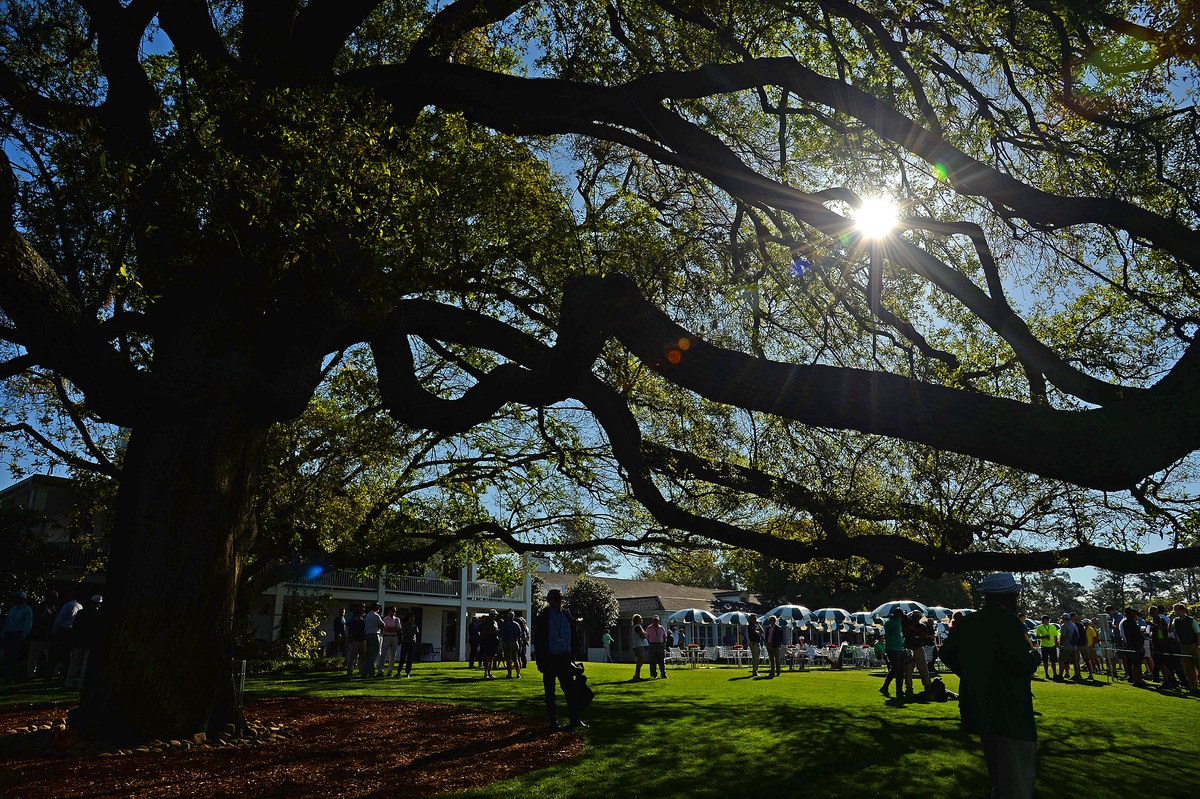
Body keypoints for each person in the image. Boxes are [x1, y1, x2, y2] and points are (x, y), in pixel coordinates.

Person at [939, 572, 1040, 799]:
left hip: (980, 705)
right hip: (1010, 709)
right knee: (1017, 779)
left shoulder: (970, 621)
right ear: (1009, 597)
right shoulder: (1007, 622)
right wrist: (1035, 657)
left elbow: (946, 652)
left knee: (997, 773)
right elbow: (1021, 663)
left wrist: (971, 674)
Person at [533, 589, 587, 730]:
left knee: (570, 691)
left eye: (560, 598)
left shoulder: (567, 615)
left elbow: (573, 636)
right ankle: (553, 721)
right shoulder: (543, 616)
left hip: (565, 658)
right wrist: (540, 661)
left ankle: (574, 720)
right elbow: (538, 640)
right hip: (550, 658)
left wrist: (574, 654)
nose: (559, 601)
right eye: (556, 598)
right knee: (550, 692)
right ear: (549, 600)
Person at [64, 595, 103, 689]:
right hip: (89, 642)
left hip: (79, 640)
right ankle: (81, 684)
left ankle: (68, 682)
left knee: (74, 663)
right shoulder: (98, 614)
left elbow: (75, 627)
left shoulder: (81, 613)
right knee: (85, 665)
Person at [25, 589, 58, 678]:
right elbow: (39, 622)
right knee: (35, 654)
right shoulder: (43, 607)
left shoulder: (51, 607)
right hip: (40, 635)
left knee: (45, 654)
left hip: (46, 635)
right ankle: (31, 672)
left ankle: (49, 670)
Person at [1, 590, 32, 682]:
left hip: (18, 633)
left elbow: (28, 623)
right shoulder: (12, 609)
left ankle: (13, 676)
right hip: (9, 633)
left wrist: (24, 634)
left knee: (15, 656)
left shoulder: (27, 609)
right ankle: (7, 675)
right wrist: (3, 633)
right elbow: (7, 622)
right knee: (8, 655)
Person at [902, 608, 934, 695]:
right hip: (909, 648)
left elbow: (924, 635)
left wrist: (913, 629)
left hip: (919, 648)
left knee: (923, 668)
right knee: (908, 669)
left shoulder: (922, 626)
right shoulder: (906, 626)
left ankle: (927, 685)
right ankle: (909, 687)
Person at [1170, 603, 1199, 692]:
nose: (1176, 612)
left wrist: (1198, 645)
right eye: (1175, 610)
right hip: (1184, 646)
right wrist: (1171, 620)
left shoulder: (1191, 620)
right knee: (1189, 668)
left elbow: (1198, 632)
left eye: (1178, 610)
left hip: (1194, 645)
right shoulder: (1176, 620)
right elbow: (1170, 629)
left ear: (1183, 610)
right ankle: (1193, 687)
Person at [880, 608, 907, 698]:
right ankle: (885, 687)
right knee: (895, 668)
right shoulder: (890, 623)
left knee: (901, 670)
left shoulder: (897, 622)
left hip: (899, 648)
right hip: (892, 648)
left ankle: (899, 690)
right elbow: (895, 629)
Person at [1119, 608, 1146, 687]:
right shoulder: (1127, 622)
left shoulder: (1132, 621)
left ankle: (1140, 679)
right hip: (1133, 644)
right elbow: (1134, 633)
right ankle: (1136, 680)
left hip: (1137, 644)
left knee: (1138, 663)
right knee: (1135, 663)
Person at [1057, 613, 1081, 680]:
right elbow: (1078, 636)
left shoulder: (1064, 625)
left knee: (1061, 660)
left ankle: (1060, 675)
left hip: (1066, 646)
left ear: (1064, 619)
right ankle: (1077, 675)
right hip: (1074, 646)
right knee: (1075, 661)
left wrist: (1060, 644)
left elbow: (1063, 636)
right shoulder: (1074, 625)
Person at [1033, 615, 1058, 679]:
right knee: (1045, 661)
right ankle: (1046, 674)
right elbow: (1037, 636)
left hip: (1052, 646)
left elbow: (1055, 636)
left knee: (1053, 661)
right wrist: (1044, 637)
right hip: (1044, 646)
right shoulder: (1039, 627)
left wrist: (1056, 643)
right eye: (1042, 620)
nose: (1042, 621)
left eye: (1043, 619)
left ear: (1047, 620)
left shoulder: (1053, 627)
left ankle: (1055, 674)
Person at [344, 603, 366, 676]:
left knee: (362, 657)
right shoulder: (353, 618)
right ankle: (350, 670)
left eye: (363, 609)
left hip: (362, 639)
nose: (362, 610)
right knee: (353, 657)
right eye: (361, 609)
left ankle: (362, 670)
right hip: (355, 639)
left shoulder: (364, 618)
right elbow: (349, 627)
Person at [500, 609, 523, 678]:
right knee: (516, 659)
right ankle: (518, 674)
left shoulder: (505, 624)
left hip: (507, 642)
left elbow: (501, 634)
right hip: (515, 642)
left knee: (508, 659)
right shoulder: (517, 624)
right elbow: (520, 635)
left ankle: (510, 674)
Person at [379, 606, 401, 676]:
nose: (393, 612)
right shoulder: (385, 619)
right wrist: (393, 629)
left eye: (394, 611)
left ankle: (389, 671)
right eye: (392, 610)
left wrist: (390, 629)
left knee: (393, 655)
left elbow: (398, 628)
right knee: (383, 654)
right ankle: (380, 671)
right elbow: (385, 628)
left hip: (394, 637)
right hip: (387, 637)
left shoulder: (397, 619)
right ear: (389, 611)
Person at [478, 610, 500, 679]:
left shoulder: (495, 622)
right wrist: (493, 632)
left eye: (495, 615)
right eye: (494, 615)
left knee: (492, 658)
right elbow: (483, 632)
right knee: (487, 658)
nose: (495, 616)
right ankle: (486, 673)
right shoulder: (486, 623)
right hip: (488, 641)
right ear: (490, 615)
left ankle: (489, 673)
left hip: (494, 641)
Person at [397, 611, 419, 677]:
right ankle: (399, 671)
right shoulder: (404, 625)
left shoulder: (414, 626)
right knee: (402, 658)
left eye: (413, 617)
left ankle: (407, 672)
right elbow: (401, 632)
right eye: (411, 617)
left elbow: (416, 633)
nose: (412, 618)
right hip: (405, 642)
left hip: (412, 643)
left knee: (410, 658)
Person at [630, 613, 648, 680]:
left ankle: (637, 675)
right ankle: (636, 675)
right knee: (641, 660)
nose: (641, 619)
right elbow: (642, 636)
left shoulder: (638, 626)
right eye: (640, 618)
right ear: (637, 620)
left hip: (639, 645)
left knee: (641, 660)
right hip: (639, 645)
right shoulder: (637, 627)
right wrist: (645, 635)